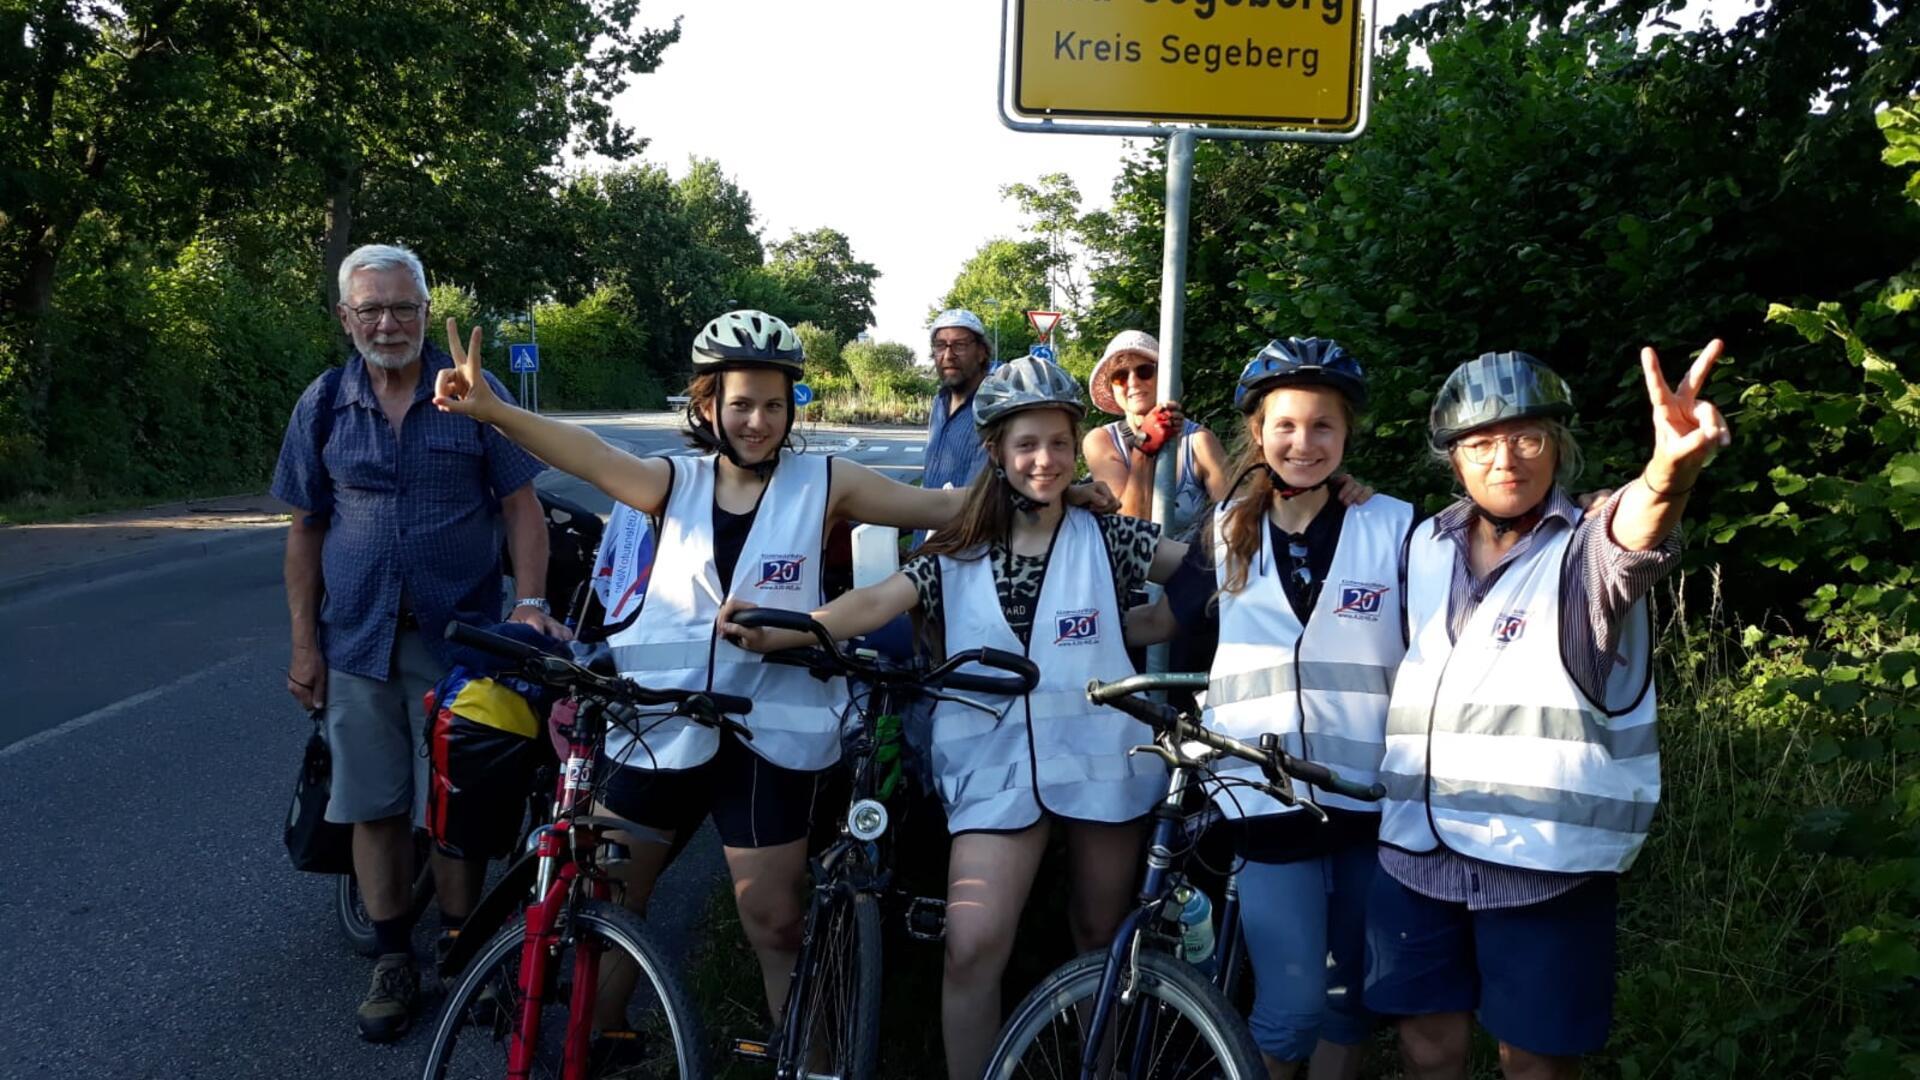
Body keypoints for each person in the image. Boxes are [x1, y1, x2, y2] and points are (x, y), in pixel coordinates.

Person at [429, 310, 1113, 1045]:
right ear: (708, 406)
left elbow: (944, 508)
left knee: (775, 921)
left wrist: (1052, 492)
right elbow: (588, 455)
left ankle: (804, 1054)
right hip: (659, 726)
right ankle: (601, 1037)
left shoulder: (827, 481)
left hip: (769, 737)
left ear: (794, 410)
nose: (758, 420)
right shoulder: (671, 482)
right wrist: (494, 410)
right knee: (615, 896)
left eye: (774, 405)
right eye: (741, 403)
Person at [718, 355, 1187, 1080]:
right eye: (1026, 444)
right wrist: (787, 627)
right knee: (971, 943)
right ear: (996, 453)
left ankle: (1103, 1063)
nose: (1046, 460)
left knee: (1102, 936)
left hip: (1103, 765)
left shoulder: (1111, 536)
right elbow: (873, 603)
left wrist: (1297, 508)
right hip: (992, 774)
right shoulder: (957, 548)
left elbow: (1213, 568)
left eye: (1060, 443)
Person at [1365, 344, 1731, 1080]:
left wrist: (1673, 470)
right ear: (1454, 458)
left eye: (1527, 437)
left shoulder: (1587, 548)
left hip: (1542, 861)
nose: (1505, 459)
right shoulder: (1423, 547)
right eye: (1481, 443)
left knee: (1532, 1062)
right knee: (1426, 1045)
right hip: (1416, 851)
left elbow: (1642, 525)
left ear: (1559, 447)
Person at [271, 243, 568, 1042]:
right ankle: (393, 956)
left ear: (427, 311)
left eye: (403, 307)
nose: (388, 323)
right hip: (358, 638)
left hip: (460, 638)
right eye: (370, 309)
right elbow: (305, 530)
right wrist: (304, 644)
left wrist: (532, 604)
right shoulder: (326, 402)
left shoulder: (468, 394)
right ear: (345, 318)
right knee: (373, 802)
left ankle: (464, 945)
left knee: (461, 802)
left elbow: (521, 507)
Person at [1127, 337, 1413, 1079]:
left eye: (1323, 426)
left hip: (1369, 794)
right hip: (1265, 793)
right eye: (1285, 426)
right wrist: (1071, 639)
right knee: (1291, 1010)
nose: (1304, 442)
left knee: (1350, 1002)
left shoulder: (1395, 528)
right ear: (1257, 434)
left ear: (1348, 435)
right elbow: (1161, 622)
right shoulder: (1225, 531)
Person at [1083, 329, 1233, 538]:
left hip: (1190, 566)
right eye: (1120, 377)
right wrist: (1145, 448)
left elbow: (1236, 522)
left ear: (1164, 377)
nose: (1133, 382)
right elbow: (1128, 533)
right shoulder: (1101, 441)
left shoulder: (1199, 442)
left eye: (1144, 371)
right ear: (1112, 388)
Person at [921, 308, 995, 496]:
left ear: (981, 352)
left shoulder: (993, 408)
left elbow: (977, 497)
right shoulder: (939, 403)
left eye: (959, 345)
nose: (948, 355)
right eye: (940, 345)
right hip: (926, 521)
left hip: (964, 524)